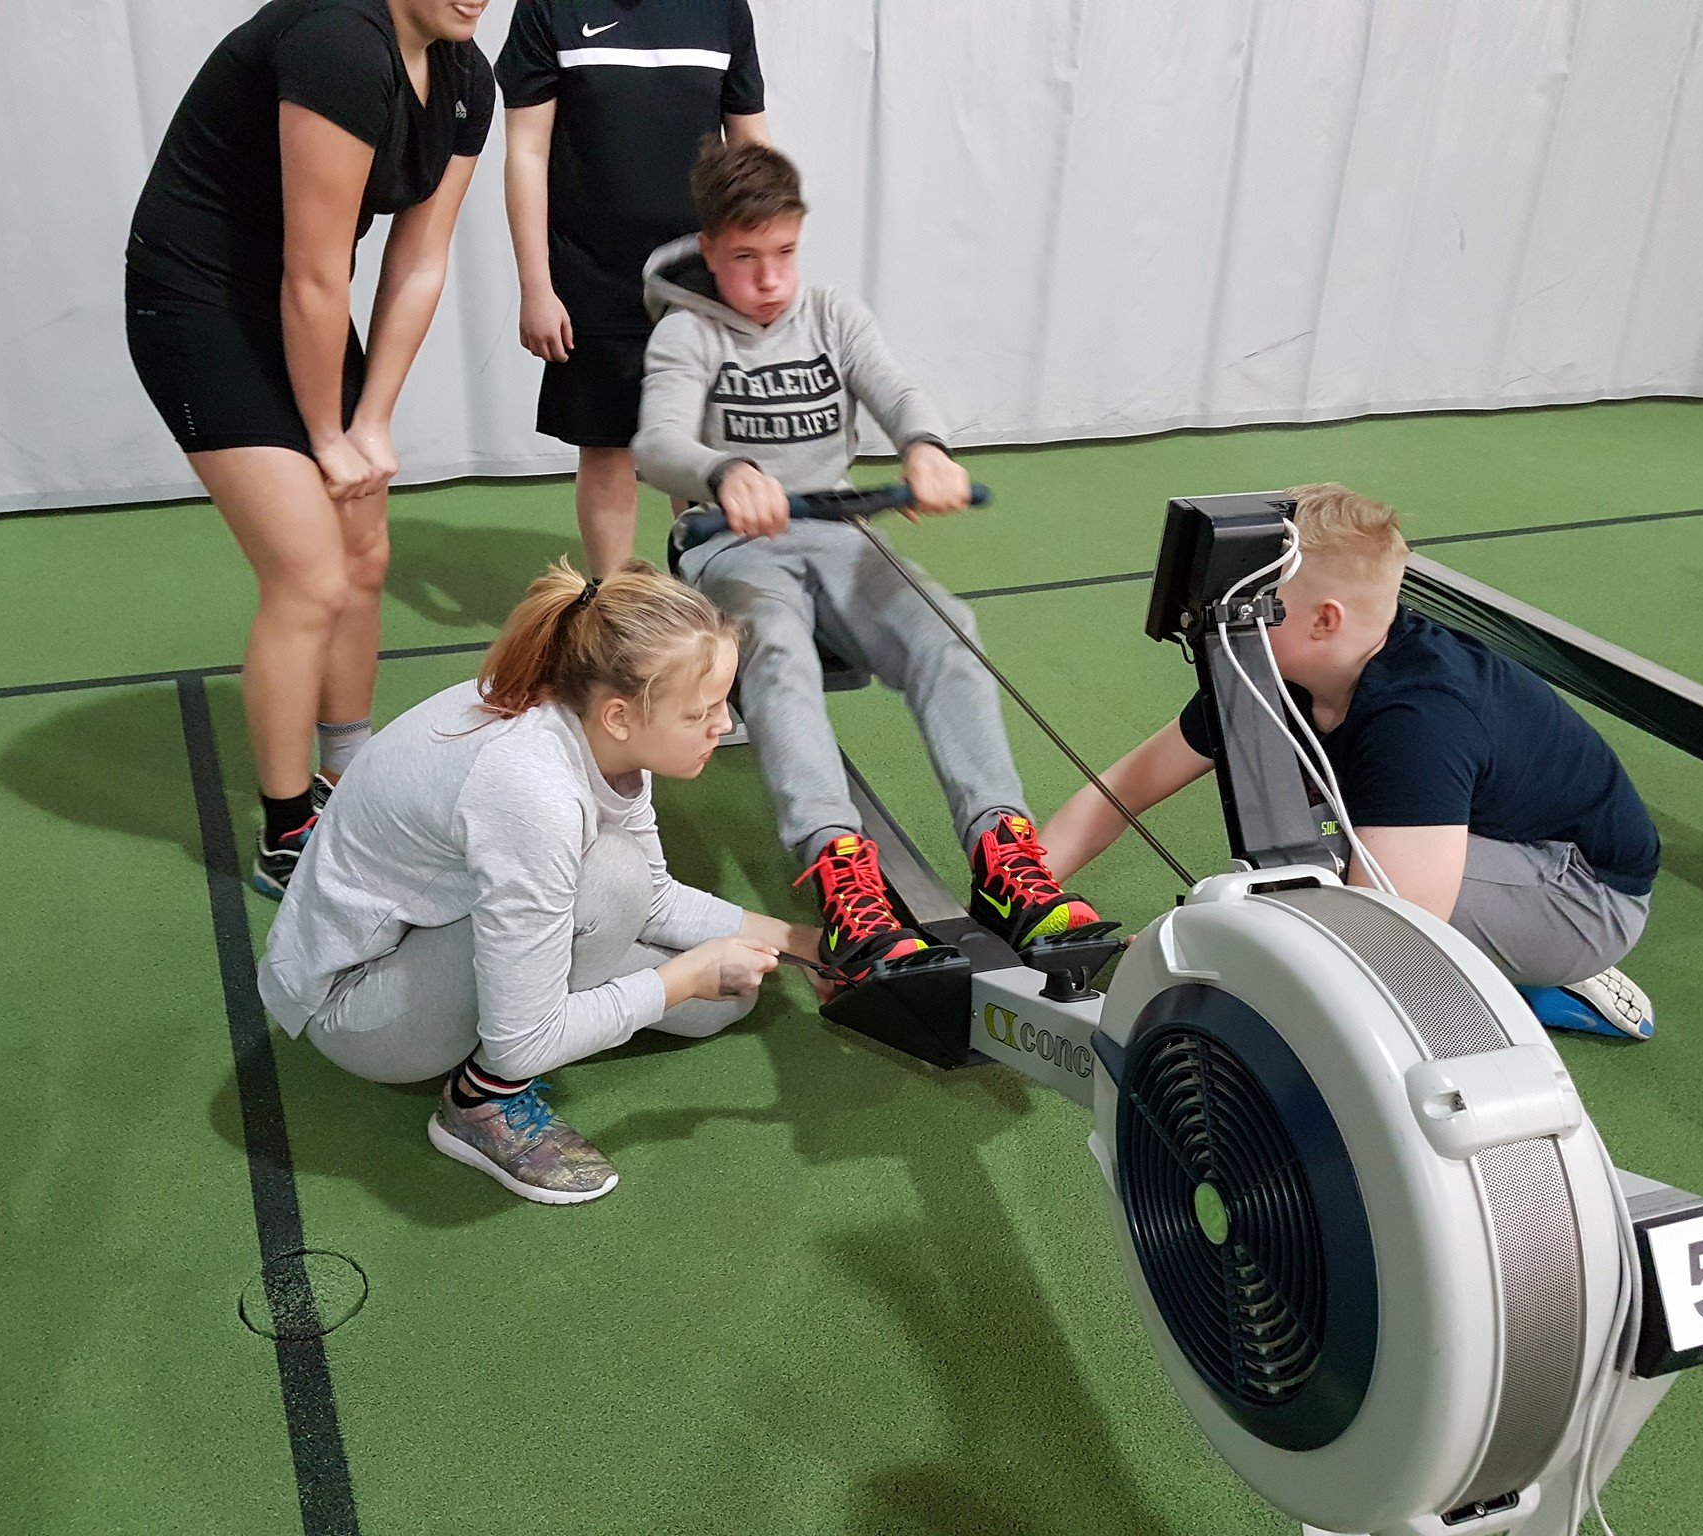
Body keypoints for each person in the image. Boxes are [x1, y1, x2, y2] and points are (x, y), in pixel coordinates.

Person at [632, 141, 1104, 984]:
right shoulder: (686, 333)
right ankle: (842, 878)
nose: (769, 279)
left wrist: (924, 447)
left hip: (842, 534)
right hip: (732, 545)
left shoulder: (834, 315)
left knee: (947, 627)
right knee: (774, 644)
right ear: (708, 250)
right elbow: (656, 443)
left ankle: (1005, 859)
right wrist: (725, 472)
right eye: (745, 259)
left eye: (784, 252)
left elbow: (895, 389)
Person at [257, 560, 820, 1204]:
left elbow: (657, 898)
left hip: (433, 932)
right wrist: (681, 978)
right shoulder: (531, 789)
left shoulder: (596, 718)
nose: (724, 725)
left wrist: (802, 943)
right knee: (615, 880)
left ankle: (606, 996)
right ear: (619, 715)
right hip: (354, 1007)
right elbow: (523, 1042)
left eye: (723, 702)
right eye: (701, 712)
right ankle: (478, 1104)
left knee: (723, 1003)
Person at [1039, 483, 1661, 1038]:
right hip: (1472, 841)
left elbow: (1387, 945)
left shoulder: (1417, 717)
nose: (1226, 614)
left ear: (1323, 621)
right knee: (1295, 849)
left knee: (1315, 882)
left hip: (1584, 896)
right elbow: (1122, 790)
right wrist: (1024, 893)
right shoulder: (1265, 668)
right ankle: (1490, 949)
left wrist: (1183, 951)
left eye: (1252, 598)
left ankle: (1534, 967)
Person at [126, 0, 496, 897]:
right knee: (310, 576)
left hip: (302, 306)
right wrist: (327, 435)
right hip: (201, 303)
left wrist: (372, 422)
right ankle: (288, 830)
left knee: (365, 557)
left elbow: (418, 261)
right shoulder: (339, 44)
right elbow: (315, 271)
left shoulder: (467, 78)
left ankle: (348, 777)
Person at [496, 0, 769, 575]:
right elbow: (526, 151)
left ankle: (705, 598)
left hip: (702, 280)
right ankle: (611, 603)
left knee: (704, 443)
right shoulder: (549, 8)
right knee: (606, 448)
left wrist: (762, 266)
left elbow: (752, 150)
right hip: (591, 274)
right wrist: (536, 286)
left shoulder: (722, 9)